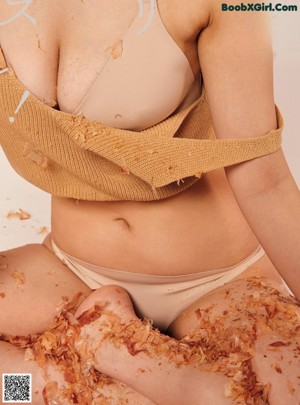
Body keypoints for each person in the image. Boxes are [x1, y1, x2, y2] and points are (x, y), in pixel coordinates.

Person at [0, 0, 299, 403]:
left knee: (286, 391)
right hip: (70, 273)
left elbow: (266, 183)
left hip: (220, 285)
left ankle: (147, 373)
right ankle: (87, 385)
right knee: (11, 388)